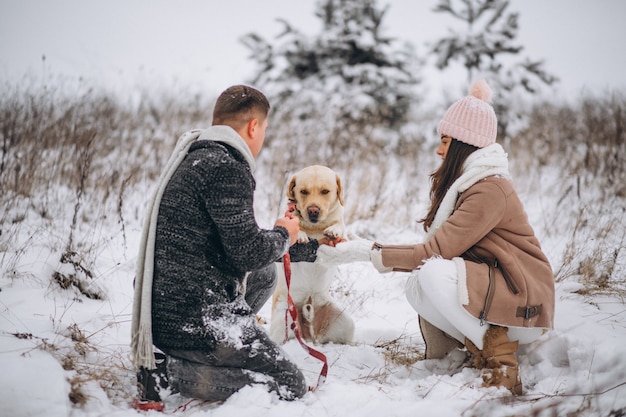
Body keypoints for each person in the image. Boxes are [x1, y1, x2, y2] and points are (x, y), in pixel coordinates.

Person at [131, 85, 326, 405]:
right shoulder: (228, 167)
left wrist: (294, 241)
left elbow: (235, 241)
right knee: (291, 385)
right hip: (193, 318)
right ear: (254, 126)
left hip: (161, 305)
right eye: (264, 129)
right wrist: (285, 234)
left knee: (264, 273)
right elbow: (247, 252)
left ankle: (218, 352)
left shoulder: (193, 156)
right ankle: (170, 372)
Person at [368, 80, 555, 395]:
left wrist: (373, 253)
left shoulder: (490, 188)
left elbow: (436, 251)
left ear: (463, 144)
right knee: (417, 286)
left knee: (431, 269)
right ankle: (472, 350)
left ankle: (501, 362)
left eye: (445, 141)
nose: (439, 150)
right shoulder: (471, 184)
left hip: (524, 302)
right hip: (499, 291)